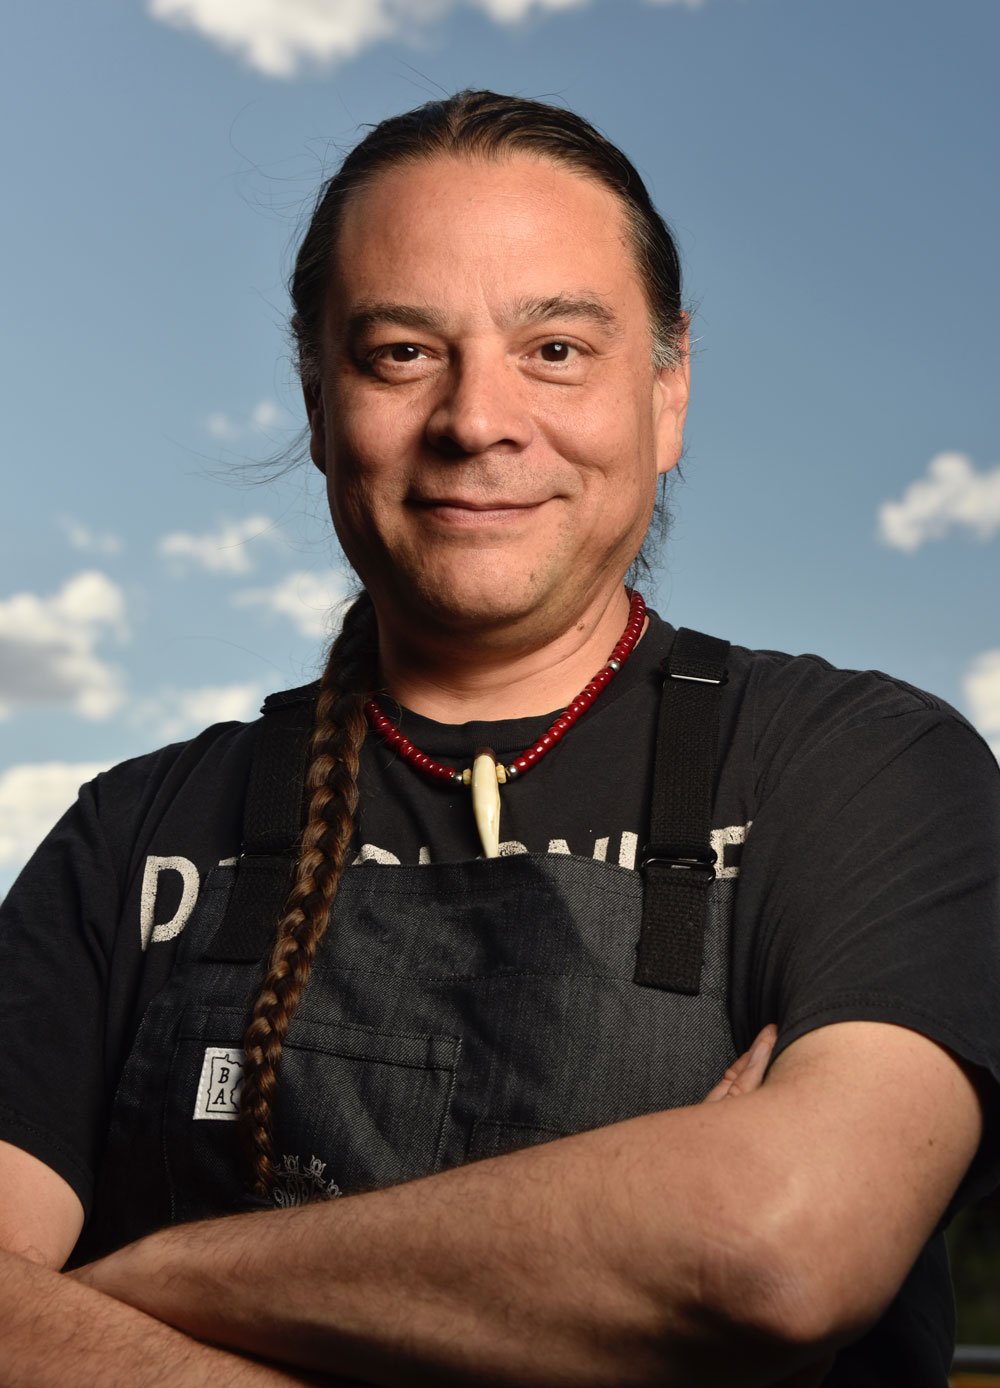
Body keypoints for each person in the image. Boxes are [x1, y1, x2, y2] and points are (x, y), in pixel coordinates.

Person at [0, 90, 998, 1388]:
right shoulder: (131, 835)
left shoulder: (864, 771)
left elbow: (773, 1246)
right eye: (403, 352)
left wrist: (151, 1283)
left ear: (670, 387)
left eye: (558, 350)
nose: (478, 419)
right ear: (318, 400)